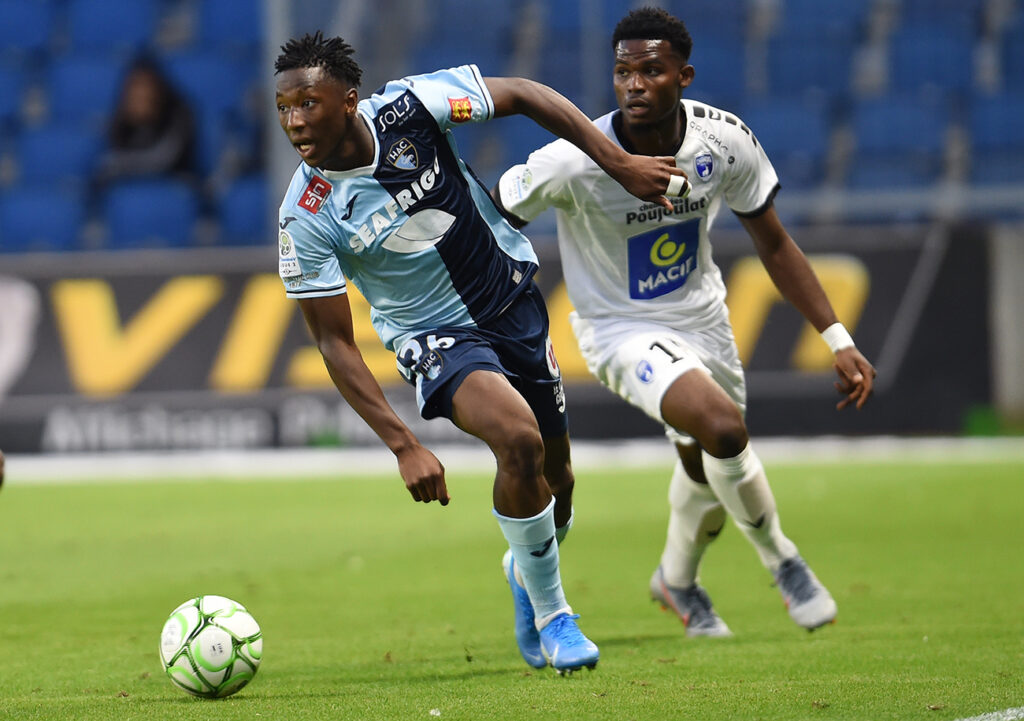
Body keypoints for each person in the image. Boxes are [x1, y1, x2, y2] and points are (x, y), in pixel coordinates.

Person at [272, 32, 688, 672]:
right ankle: (555, 617)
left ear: (349, 100)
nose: (295, 121)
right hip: (433, 336)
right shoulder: (306, 214)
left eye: (309, 103)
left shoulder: (411, 108)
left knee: (558, 482)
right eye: (284, 108)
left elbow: (522, 94)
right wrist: (403, 444)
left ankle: (525, 571)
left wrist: (619, 163)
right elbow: (333, 340)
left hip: (510, 297)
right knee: (517, 441)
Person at [493, 7, 876, 637]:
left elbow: (774, 243)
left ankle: (677, 580)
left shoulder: (723, 143)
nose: (635, 84)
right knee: (724, 430)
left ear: (684, 76)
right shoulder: (573, 160)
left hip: (704, 320)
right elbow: (496, 212)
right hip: (617, 330)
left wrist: (837, 337)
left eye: (651, 70)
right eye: (623, 73)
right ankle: (784, 561)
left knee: (706, 467)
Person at [96, 56, 196, 184]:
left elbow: (165, 159)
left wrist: (119, 164)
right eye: (135, 88)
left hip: (172, 187)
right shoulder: (122, 119)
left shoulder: (180, 114)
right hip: (131, 190)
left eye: (146, 87)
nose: (140, 94)